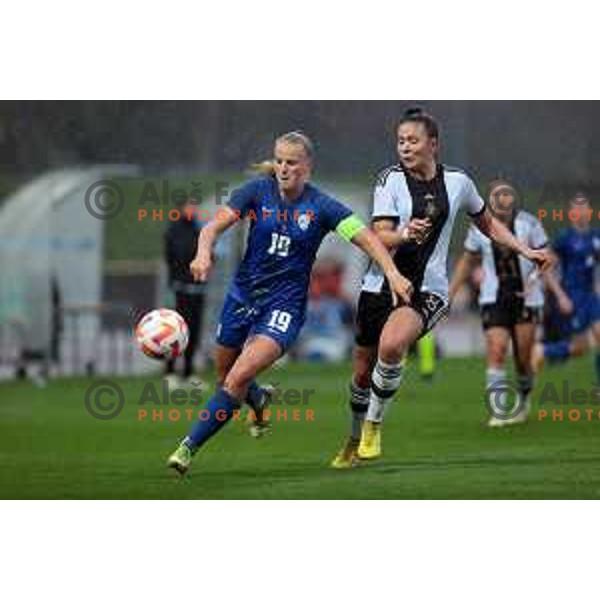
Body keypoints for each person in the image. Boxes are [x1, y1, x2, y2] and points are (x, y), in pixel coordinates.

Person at [167, 131, 413, 474]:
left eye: (291, 162)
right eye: (279, 160)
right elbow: (211, 228)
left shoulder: (322, 207)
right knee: (226, 374)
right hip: (241, 296)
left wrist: (392, 273)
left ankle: (187, 448)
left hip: (284, 308)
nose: (283, 168)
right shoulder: (255, 192)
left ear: (307, 168)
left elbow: (368, 239)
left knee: (236, 377)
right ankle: (259, 398)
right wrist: (202, 253)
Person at [331, 109, 553, 468]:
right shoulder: (389, 180)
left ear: (433, 144)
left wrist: (525, 249)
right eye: (401, 141)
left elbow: (488, 224)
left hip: (428, 289)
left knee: (392, 344)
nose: (405, 147)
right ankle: (354, 437)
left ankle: (373, 425)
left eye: (413, 140)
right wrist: (404, 233)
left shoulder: (458, 183)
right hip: (378, 284)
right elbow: (378, 234)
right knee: (360, 371)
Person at [449, 177, 566, 426]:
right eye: (496, 195)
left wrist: (534, 280)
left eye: (506, 194)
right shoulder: (478, 228)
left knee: (523, 358)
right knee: (497, 349)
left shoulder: (529, 223)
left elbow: (548, 258)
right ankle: (499, 411)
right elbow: (468, 261)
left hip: (528, 299)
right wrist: (451, 293)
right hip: (494, 297)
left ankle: (523, 401)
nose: (501, 199)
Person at [532, 193, 600, 381]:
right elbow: (546, 267)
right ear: (571, 213)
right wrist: (560, 296)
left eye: (584, 208)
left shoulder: (596, 236)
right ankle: (542, 350)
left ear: (590, 211)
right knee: (580, 348)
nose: (581, 212)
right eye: (577, 209)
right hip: (573, 296)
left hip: (591, 297)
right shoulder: (565, 238)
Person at [163, 197, 206, 385]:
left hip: (198, 289)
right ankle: (170, 372)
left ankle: (189, 373)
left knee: (194, 332)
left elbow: (207, 255)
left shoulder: (199, 230)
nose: (193, 210)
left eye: (195, 207)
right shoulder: (174, 231)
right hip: (180, 289)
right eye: (190, 207)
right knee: (176, 331)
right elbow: (177, 256)